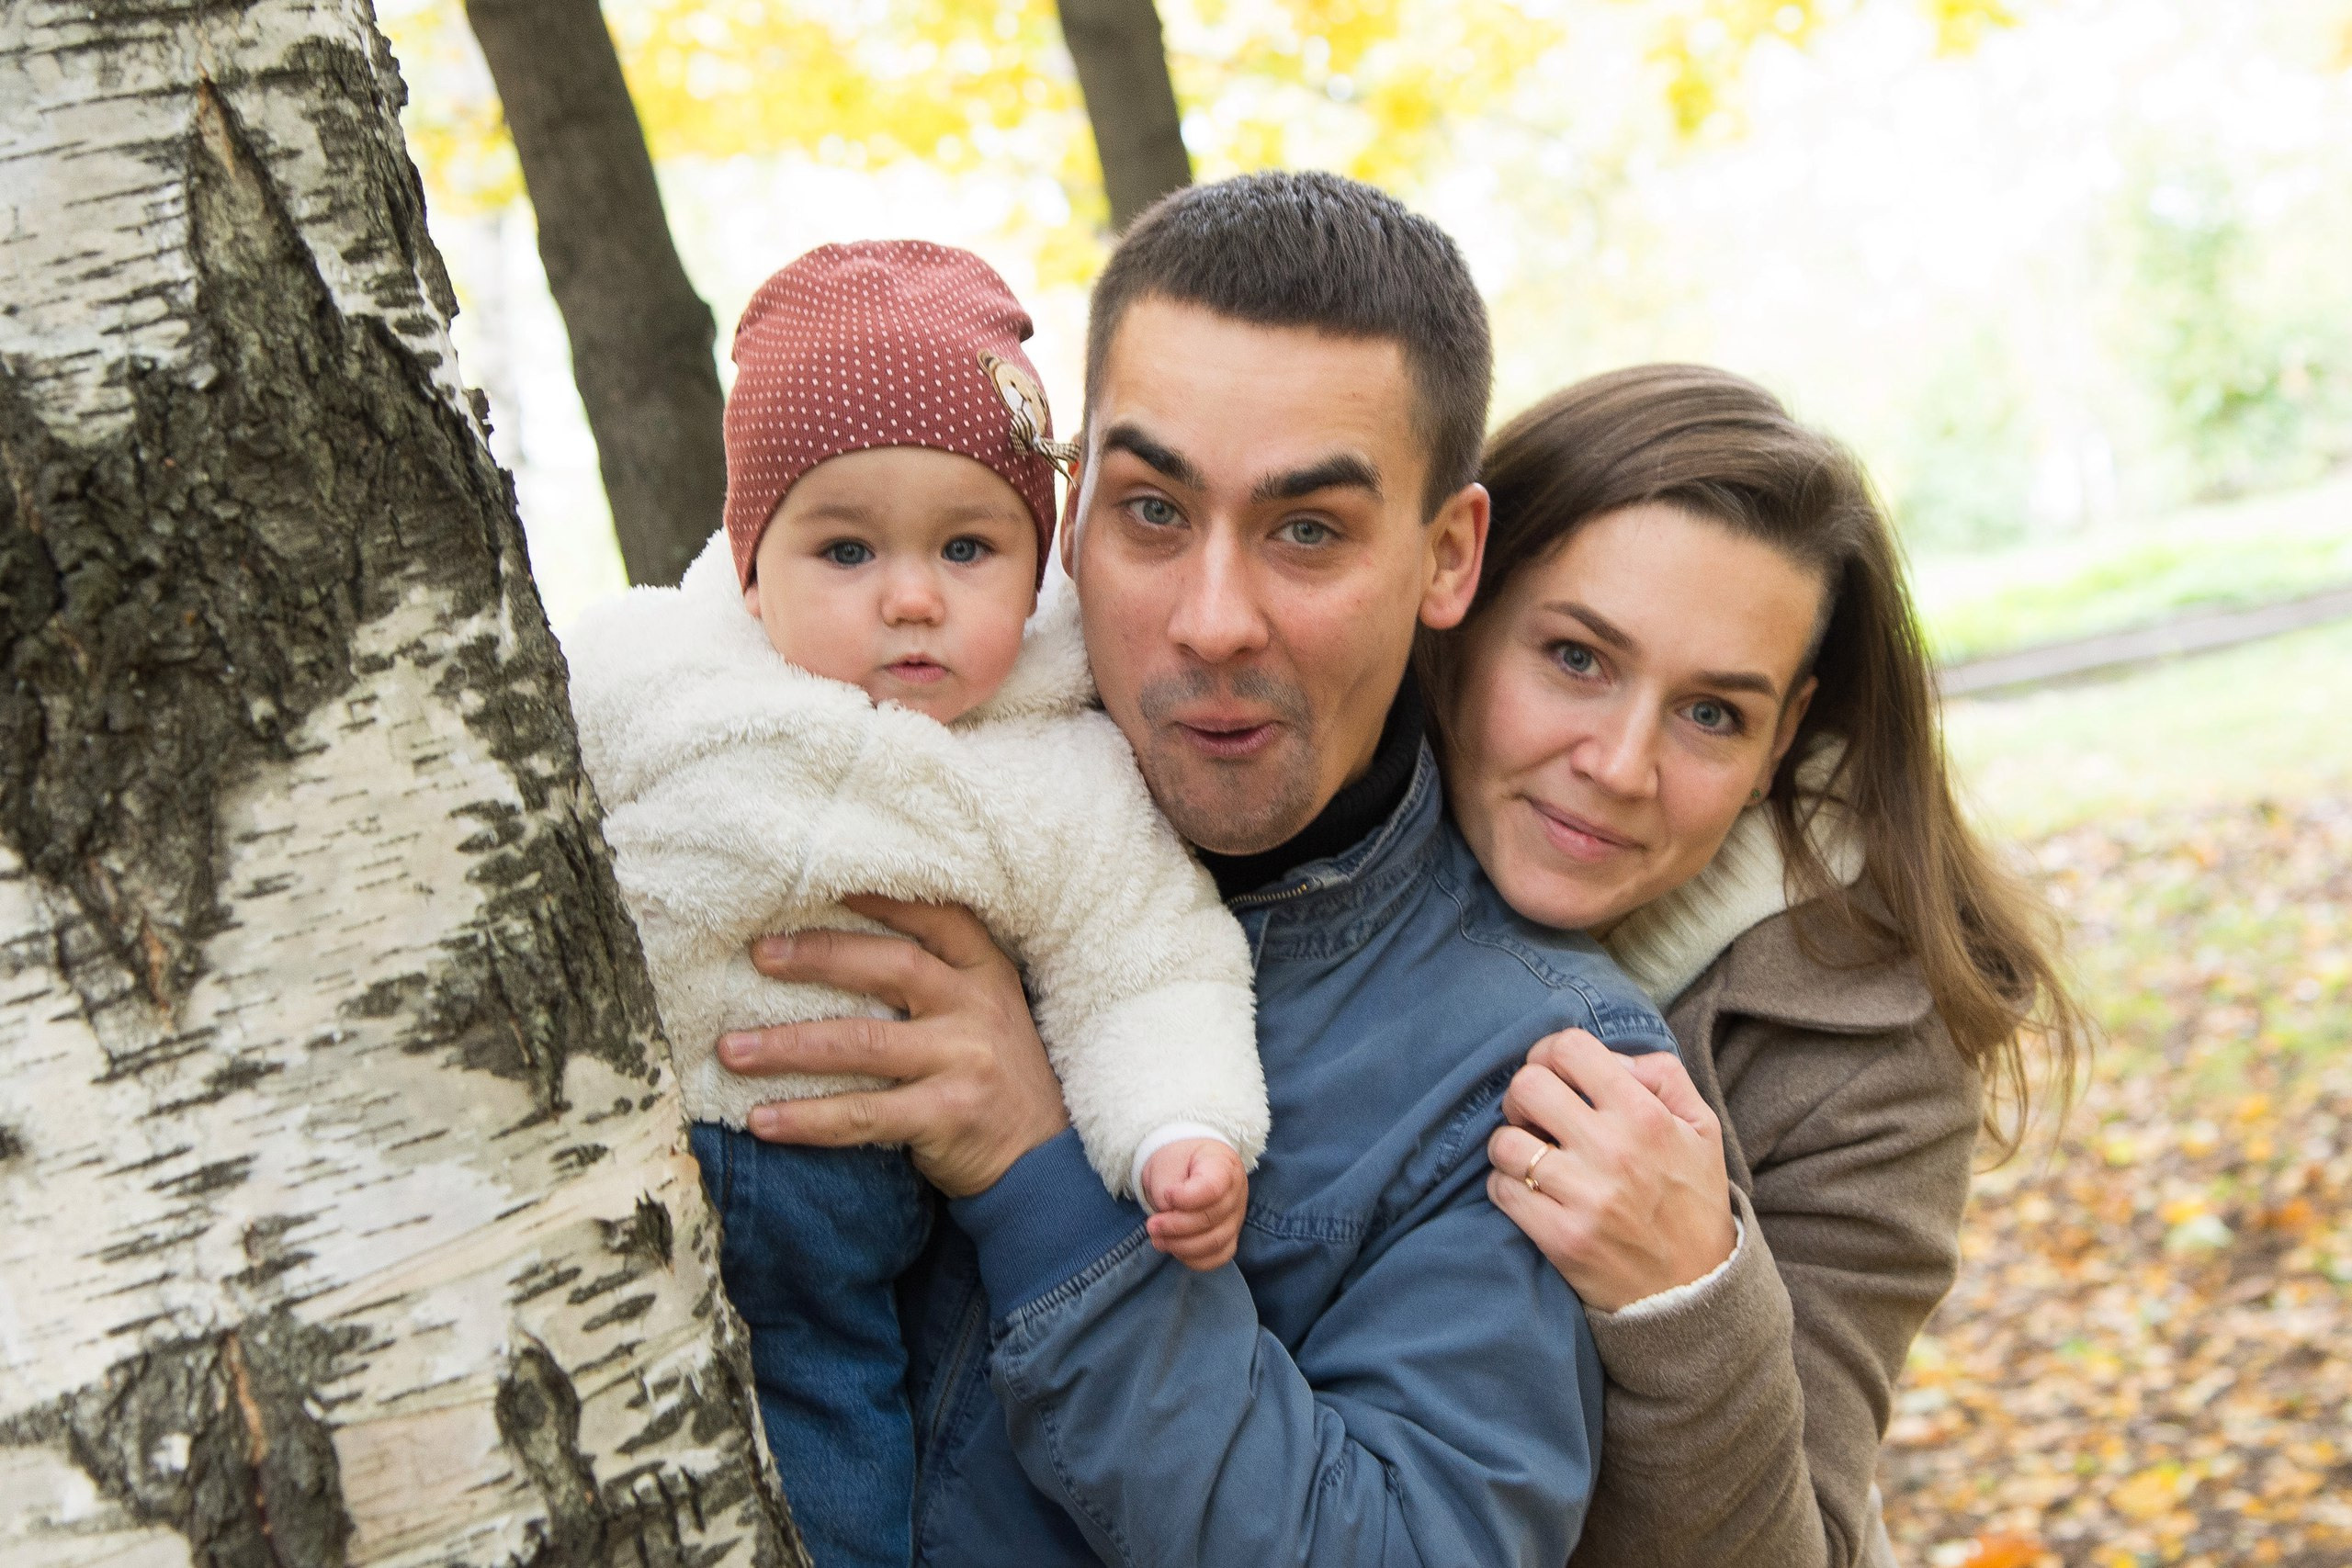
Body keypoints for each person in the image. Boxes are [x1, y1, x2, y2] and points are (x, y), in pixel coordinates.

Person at [712, 173, 1680, 1565]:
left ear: (1447, 555)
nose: (1213, 622)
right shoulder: (842, 759)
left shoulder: (1529, 1072)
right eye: (1153, 511)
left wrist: (1039, 1176)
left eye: (1308, 532)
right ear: (1071, 505)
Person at [562, 241, 1269, 1568]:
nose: (911, 597)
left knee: (833, 1506)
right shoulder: (645, 671)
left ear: (1037, 564)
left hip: (829, 1224)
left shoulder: (1058, 772)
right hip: (591, 1160)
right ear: (751, 561)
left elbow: (1148, 964)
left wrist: (1185, 1126)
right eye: (845, 548)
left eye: (966, 546)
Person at [1422, 364, 2088, 1567]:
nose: (1621, 764)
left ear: (1785, 736)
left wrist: (1685, 1299)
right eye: (1576, 657)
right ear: (1457, 602)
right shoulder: (1282, 841)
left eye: (1713, 714)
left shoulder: (1871, 1042)